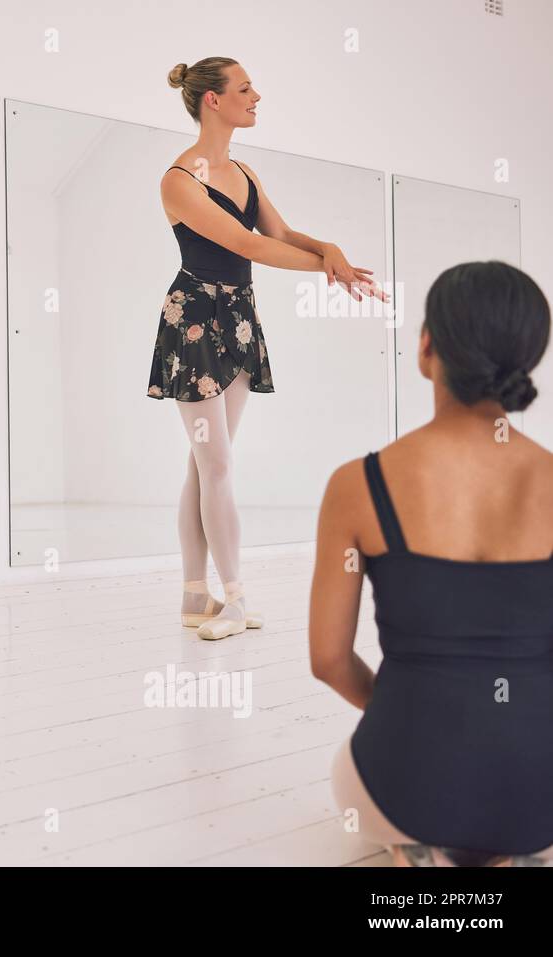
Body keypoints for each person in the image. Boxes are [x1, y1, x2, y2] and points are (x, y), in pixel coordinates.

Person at [310, 261, 553, 866]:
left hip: (403, 782)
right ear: (529, 361)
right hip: (539, 791)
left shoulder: (357, 485)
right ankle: (513, 845)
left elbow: (328, 660)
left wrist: (419, 708)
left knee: (350, 773)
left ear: (426, 347)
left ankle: (426, 844)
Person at [153, 57, 386, 639]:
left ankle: (193, 596)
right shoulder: (180, 180)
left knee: (205, 462)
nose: (257, 96)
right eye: (245, 88)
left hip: (237, 316)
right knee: (218, 463)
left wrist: (328, 248)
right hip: (196, 320)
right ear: (212, 100)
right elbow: (246, 245)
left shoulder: (245, 171)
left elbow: (278, 234)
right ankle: (232, 600)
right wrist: (329, 271)